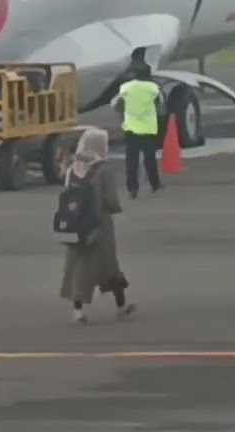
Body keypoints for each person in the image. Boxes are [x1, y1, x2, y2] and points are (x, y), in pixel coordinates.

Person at [59, 127, 135, 324]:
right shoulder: (102, 169)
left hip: (75, 225)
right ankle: (121, 305)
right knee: (109, 266)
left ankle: (78, 311)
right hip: (99, 225)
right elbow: (111, 200)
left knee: (77, 267)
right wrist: (116, 209)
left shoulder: (72, 168)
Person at [111, 64, 164, 198]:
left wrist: (124, 111)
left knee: (131, 160)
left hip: (130, 127)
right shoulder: (153, 88)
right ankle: (155, 184)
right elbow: (161, 102)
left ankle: (132, 188)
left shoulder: (126, 87)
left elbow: (115, 104)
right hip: (148, 128)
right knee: (150, 158)